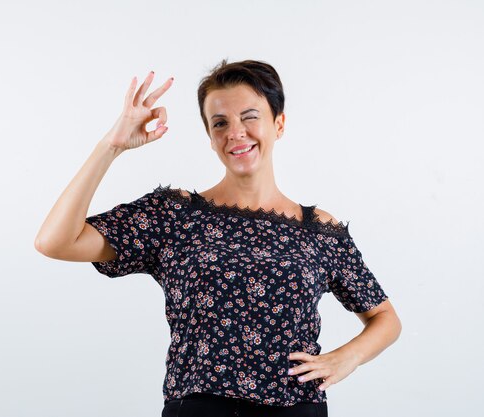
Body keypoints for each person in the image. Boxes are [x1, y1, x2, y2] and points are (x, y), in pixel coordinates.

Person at [34, 59, 402, 417]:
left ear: (279, 123)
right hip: (198, 407)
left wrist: (347, 357)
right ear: (210, 138)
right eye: (220, 123)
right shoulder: (174, 215)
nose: (235, 133)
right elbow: (55, 241)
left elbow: (385, 318)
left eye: (250, 117)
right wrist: (111, 145)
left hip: (296, 407)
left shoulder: (318, 230)